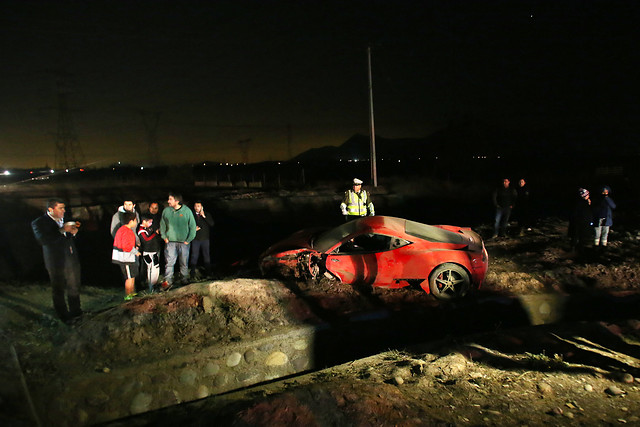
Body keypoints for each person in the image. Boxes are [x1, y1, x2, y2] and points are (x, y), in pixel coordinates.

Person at [31, 198, 83, 323]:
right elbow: (42, 240)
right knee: (59, 288)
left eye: (64, 208)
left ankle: (76, 312)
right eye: (61, 208)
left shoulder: (66, 219)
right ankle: (64, 316)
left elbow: (70, 235)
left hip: (70, 258)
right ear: (50, 209)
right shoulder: (39, 222)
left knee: (74, 286)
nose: (64, 211)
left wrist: (74, 232)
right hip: (55, 261)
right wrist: (62, 230)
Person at [160, 193, 197, 287]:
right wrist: (164, 237)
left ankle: (184, 279)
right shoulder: (166, 211)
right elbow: (162, 224)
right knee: (169, 262)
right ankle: (168, 281)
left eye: (170, 199)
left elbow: (192, 226)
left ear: (177, 201)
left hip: (184, 242)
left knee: (184, 262)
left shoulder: (186, 211)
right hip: (170, 242)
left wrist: (189, 239)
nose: (168, 201)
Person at [112, 211, 140, 300]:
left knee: (132, 276)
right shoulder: (125, 231)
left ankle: (132, 293)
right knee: (129, 277)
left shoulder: (123, 230)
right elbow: (126, 246)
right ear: (131, 221)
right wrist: (136, 252)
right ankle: (128, 296)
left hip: (128, 258)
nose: (136, 222)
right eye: (135, 220)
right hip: (125, 258)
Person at [137, 213, 163, 291]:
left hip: (154, 251)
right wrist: (155, 233)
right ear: (144, 221)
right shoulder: (141, 231)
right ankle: (151, 287)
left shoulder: (149, 228)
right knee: (151, 269)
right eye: (149, 222)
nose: (151, 224)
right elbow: (146, 240)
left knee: (156, 268)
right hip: (148, 253)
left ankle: (154, 285)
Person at [190, 201, 214, 278]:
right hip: (195, 239)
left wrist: (204, 216)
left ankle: (208, 273)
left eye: (198, 206)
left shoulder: (207, 214)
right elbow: (187, 225)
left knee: (206, 256)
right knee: (194, 256)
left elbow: (212, 224)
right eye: (195, 206)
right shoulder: (192, 215)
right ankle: (192, 273)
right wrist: (193, 229)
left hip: (205, 239)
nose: (197, 208)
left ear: (202, 207)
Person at [569, 188, 593, 253]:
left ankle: (573, 248)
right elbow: (587, 214)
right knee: (581, 236)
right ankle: (579, 249)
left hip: (576, 222)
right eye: (587, 195)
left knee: (575, 235)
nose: (589, 196)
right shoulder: (585, 204)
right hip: (583, 223)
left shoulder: (576, 202)